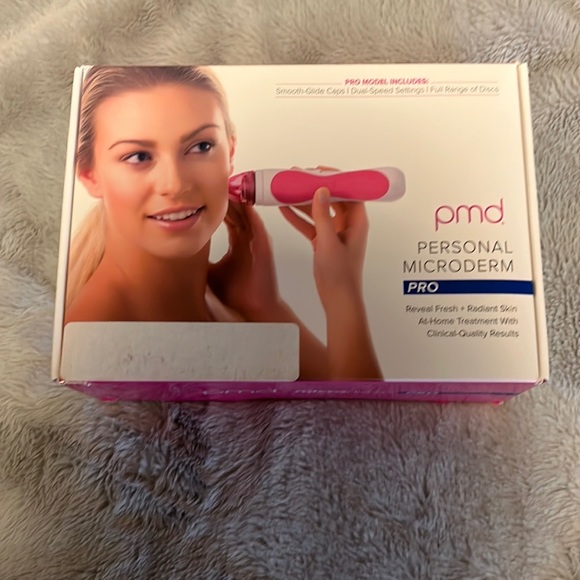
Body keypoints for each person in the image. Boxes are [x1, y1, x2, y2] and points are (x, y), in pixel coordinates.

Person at [65, 65, 381, 380]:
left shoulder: (221, 301)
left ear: (230, 152)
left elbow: (338, 389)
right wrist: (343, 294)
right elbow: (363, 414)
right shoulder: (98, 348)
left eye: (201, 147)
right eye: (138, 157)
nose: (175, 184)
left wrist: (264, 307)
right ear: (89, 175)